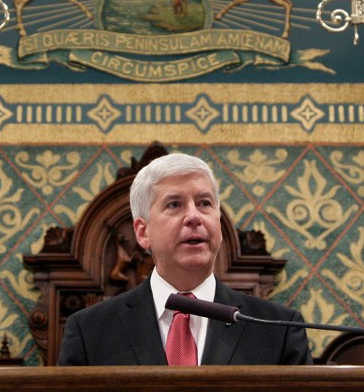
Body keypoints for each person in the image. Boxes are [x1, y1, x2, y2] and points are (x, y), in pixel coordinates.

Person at [57, 152, 313, 366]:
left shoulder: (278, 329)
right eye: (174, 205)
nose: (194, 216)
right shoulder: (89, 331)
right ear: (143, 233)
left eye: (204, 203)